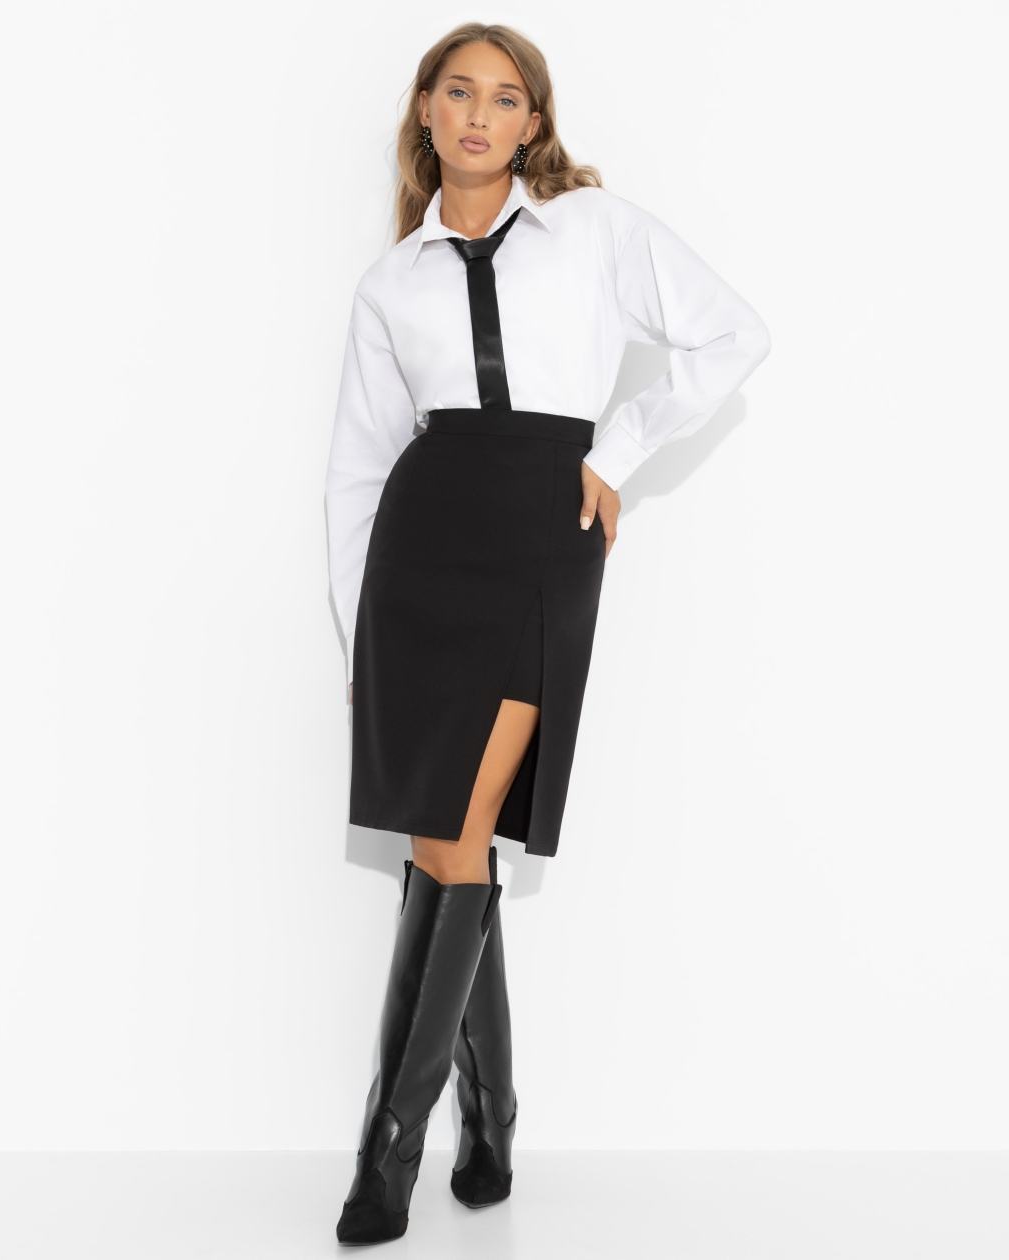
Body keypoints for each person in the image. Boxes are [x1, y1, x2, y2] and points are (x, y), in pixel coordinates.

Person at [324, 22, 770, 1245]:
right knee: (450, 841)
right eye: (458, 91)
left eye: (505, 97)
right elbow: (359, 468)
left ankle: (386, 1148)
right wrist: (358, 631)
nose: (479, 114)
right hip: (419, 551)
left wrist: (617, 452)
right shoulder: (390, 284)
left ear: (533, 123)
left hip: (540, 541)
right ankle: (489, 1122)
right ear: (425, 109)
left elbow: (733, 332)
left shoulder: (597, 229)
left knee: (457, 831)